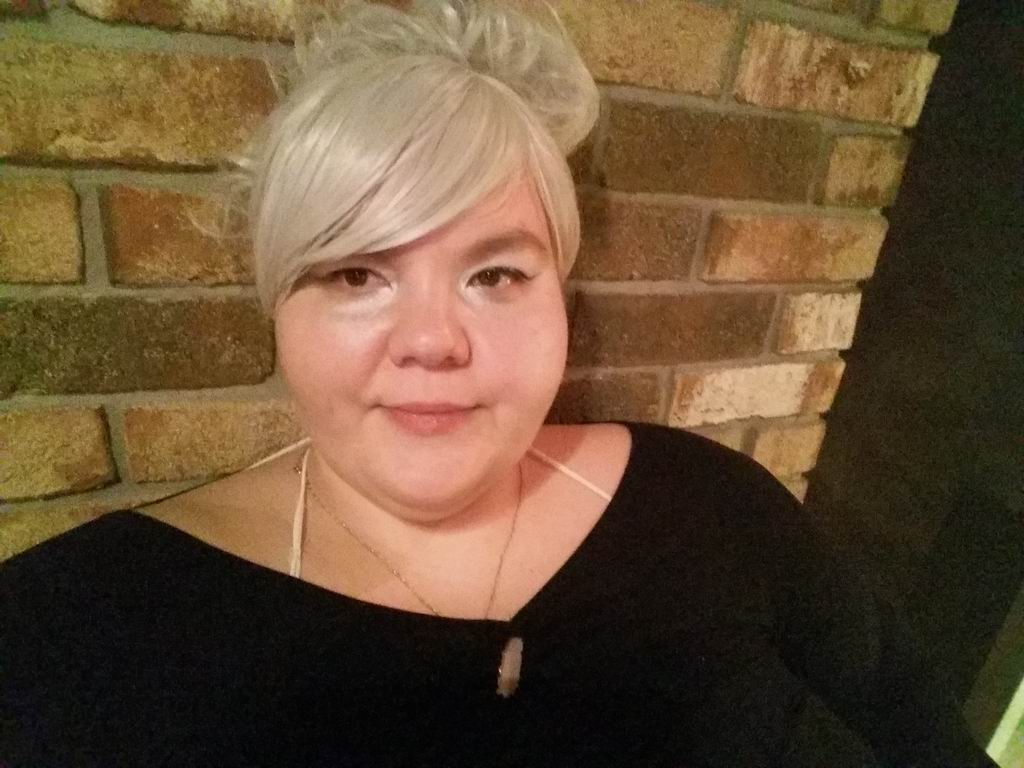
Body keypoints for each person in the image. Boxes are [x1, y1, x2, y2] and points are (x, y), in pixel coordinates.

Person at [0, 2, 999, 766]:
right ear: (276, 305)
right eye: (356, 274)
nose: (434, 340)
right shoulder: (72, 636)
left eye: (495, 275)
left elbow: (912, 719)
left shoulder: (714, 507)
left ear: (559, 294)